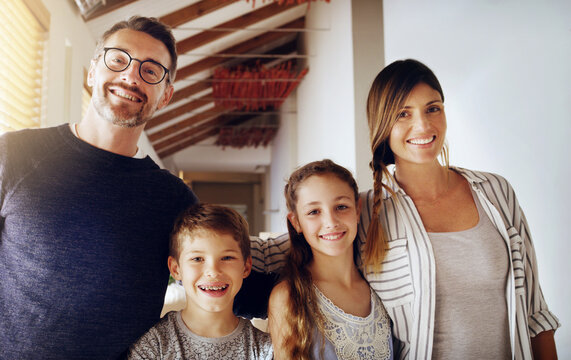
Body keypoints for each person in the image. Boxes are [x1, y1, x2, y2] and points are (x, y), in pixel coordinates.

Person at [0, 16, 197, 359]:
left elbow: (222, 281)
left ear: (166, 94)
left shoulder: (174, 201)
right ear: (93, 70)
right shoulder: (12, 156)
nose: (131, 75)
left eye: (151, 70)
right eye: (118, 59)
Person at [358, 58, 560, 359]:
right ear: (382, 123)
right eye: (403, 113)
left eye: (433, 108)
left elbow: (535, 312)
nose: (423, 125)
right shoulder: (364, 213)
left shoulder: (496, 191)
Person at [267, 159, 392, 360]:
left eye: (341, 207)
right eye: (314, 212)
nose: (331, 222)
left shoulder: (382, 287)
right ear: (296, 222)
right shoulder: (288, 297)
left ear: (358, 210)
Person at [127, 203, 273, 360]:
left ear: (246, 267)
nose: (213, 271)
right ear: (176, 269)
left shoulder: (265, 349)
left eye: (227, 258)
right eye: (197, 259)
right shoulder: (154, 346)